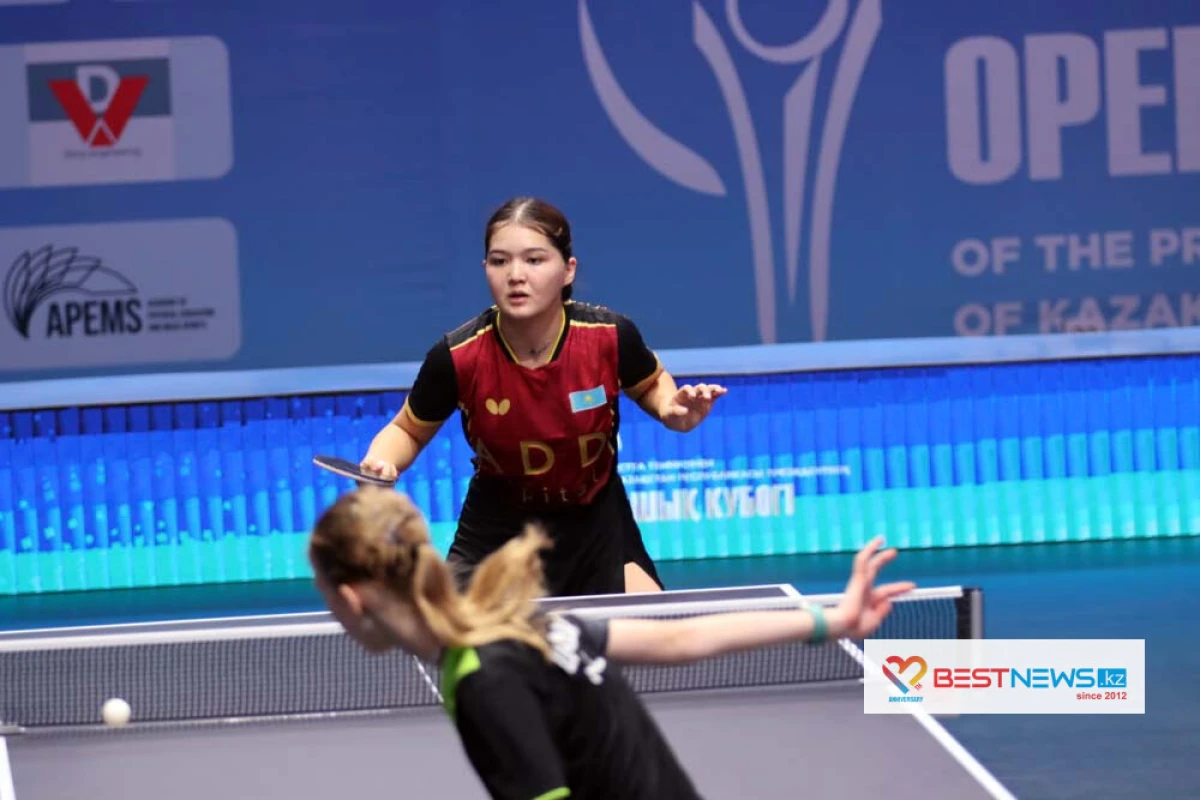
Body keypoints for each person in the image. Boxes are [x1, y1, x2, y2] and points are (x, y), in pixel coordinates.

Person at [309, 487, 916, 800]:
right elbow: (681, 637)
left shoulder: (483, 683)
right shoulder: (513, 623)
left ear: (352, 598)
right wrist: (829, 621)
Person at [359, 196, 726, 596]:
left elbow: (652, 385)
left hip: (595, 523)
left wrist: (673, 411)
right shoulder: (457, 357)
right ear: (485, 269)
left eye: (534, 260)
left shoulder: (608, 336)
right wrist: (380, 464)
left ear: (568, 270)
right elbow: (407, 431)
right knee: (448, 628)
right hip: (499, 529)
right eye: (500, 261)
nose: (515, 275)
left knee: (652, 623)